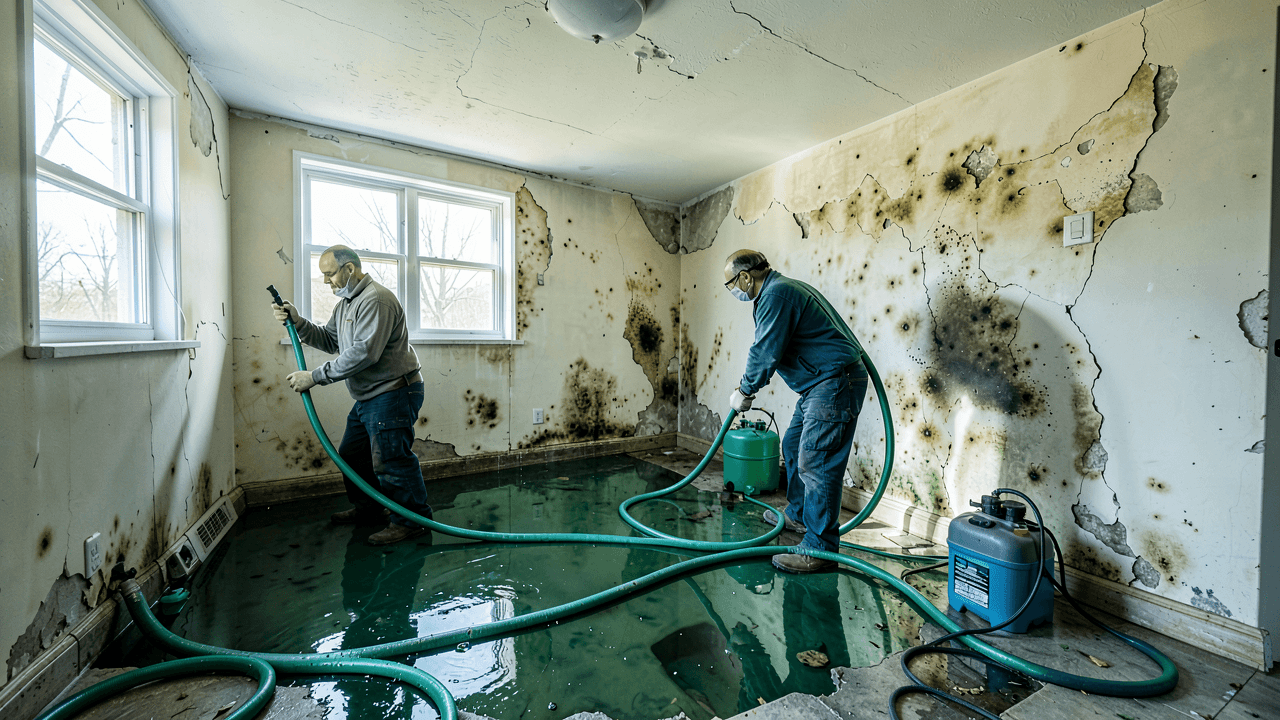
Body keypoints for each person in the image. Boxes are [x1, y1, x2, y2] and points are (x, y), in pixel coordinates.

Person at [272, 244, 432, 545]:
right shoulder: (346, 303)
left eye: (330, 274)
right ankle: (371, 508)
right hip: (370, 395)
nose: (326, 281)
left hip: (393, 391)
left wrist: (314, 377)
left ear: (349, 269)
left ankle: (413, 522)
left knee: (391, 458)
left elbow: (364, 353)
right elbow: (331, 340)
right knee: (351, 454)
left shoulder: (376, 300)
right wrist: (298, 321)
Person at [724, 249, 868, 573]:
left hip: (833, 381)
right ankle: (799, 514)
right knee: (792, 445)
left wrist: (745, 390)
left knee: (816, 461)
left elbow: (764, 352)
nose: (732, 290)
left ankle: (820, 548)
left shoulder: (777, 294)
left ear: (746, 277)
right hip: (819, 383)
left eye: (730, 283)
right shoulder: (780, 291)